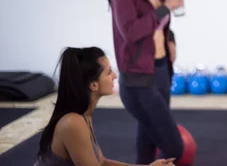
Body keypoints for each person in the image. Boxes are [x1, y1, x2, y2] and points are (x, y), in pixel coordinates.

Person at [107, 0, 185, 164]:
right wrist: (166, 7)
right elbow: (130, 32)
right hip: (138, 79)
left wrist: (170, 39)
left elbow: (160, 25)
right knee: (174, 148)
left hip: (161, 70)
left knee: (148, 144)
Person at [36, 46, 175, 166]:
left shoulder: (84, 115)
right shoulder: (72, 122)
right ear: (93, 84)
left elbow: (102, 162)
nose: (114, 76)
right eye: (109, 72)